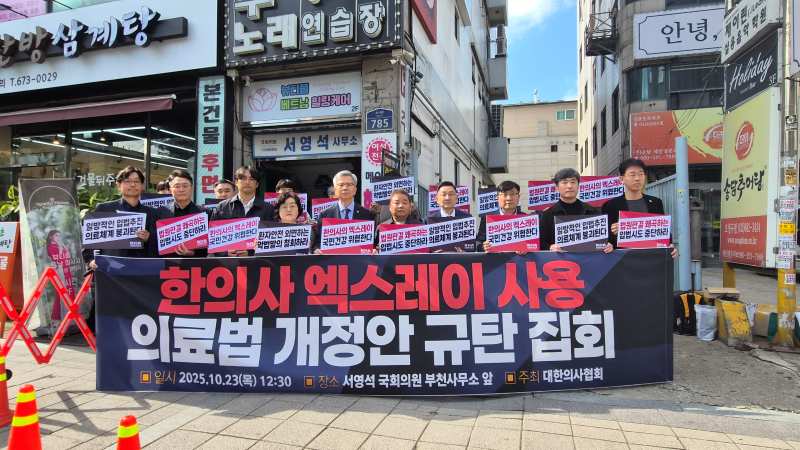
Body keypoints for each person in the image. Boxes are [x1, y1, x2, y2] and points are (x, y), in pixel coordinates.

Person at [602, 158, 678, 258]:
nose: (637, 178)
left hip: (652, 259)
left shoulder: (655, 202)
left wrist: (670, 245)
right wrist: (610, 241)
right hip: (623, 261)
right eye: (632, 175)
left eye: (641, 174)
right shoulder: (611, 205)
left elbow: (662, 231)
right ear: (621, 179)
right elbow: (605, 239)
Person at [539, 168, 613, 253]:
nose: (569, 186)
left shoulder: (592, 212)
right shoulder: (548, 215)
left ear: (578, 186)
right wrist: (550, 247)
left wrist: (609, 245)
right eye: (565, 182)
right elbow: (541, 242)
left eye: (573, 182)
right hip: (560, 260)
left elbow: (605, 239)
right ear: (556, 187)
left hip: (588, 259)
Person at [211, 166, 275, 256]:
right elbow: (212, 239)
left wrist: (251, 252)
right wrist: (226, 253)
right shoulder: (222, 207)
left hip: (257, 262)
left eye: (251, 179)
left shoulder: (268, 209)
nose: (247, 182)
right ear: (236, 182)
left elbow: (272, 240)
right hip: (229, 262)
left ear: (257, 184)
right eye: (243, 178)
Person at [315, 170, 375, 250]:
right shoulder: (325, 215)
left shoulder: (367, 214)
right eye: (341, 185)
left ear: (355, 190)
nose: (345, 188)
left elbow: (372, 243)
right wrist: (316, 250)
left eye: (349, 184)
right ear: (335, 190)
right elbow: (318, 242)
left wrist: (374, 250)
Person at [162, 169, 207, 257]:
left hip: (196, 264)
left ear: (192, 188)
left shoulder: (205, 213)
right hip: (166, 263)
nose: (181, 189)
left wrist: (193, 253)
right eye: (177, 186)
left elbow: (211, 247)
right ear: (170, 189)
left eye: (185, 186)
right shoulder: (160, 212)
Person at [477, 180, 528, 252]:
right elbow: (478, 243)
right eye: (505, 194)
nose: (509, 198)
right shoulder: (487, 218)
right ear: (497, 197)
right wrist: (483, 247)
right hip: (497, 258)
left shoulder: (526, 218)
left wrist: (526, 248)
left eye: (512, 194)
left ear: (518, 197)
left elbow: (534, 244)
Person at [46, 230, 75, 321]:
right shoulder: (51, 247)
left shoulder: (60, 245)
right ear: (51, 237)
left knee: (70, 290)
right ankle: (59, 316)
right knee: (61, 292)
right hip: (60, 271)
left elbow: (68, 256)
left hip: (66, 270)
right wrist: (61, 249)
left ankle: (71, 313)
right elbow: (57, 260)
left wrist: (64, 247)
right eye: (56, 235)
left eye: (59, 235)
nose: (58, 237)